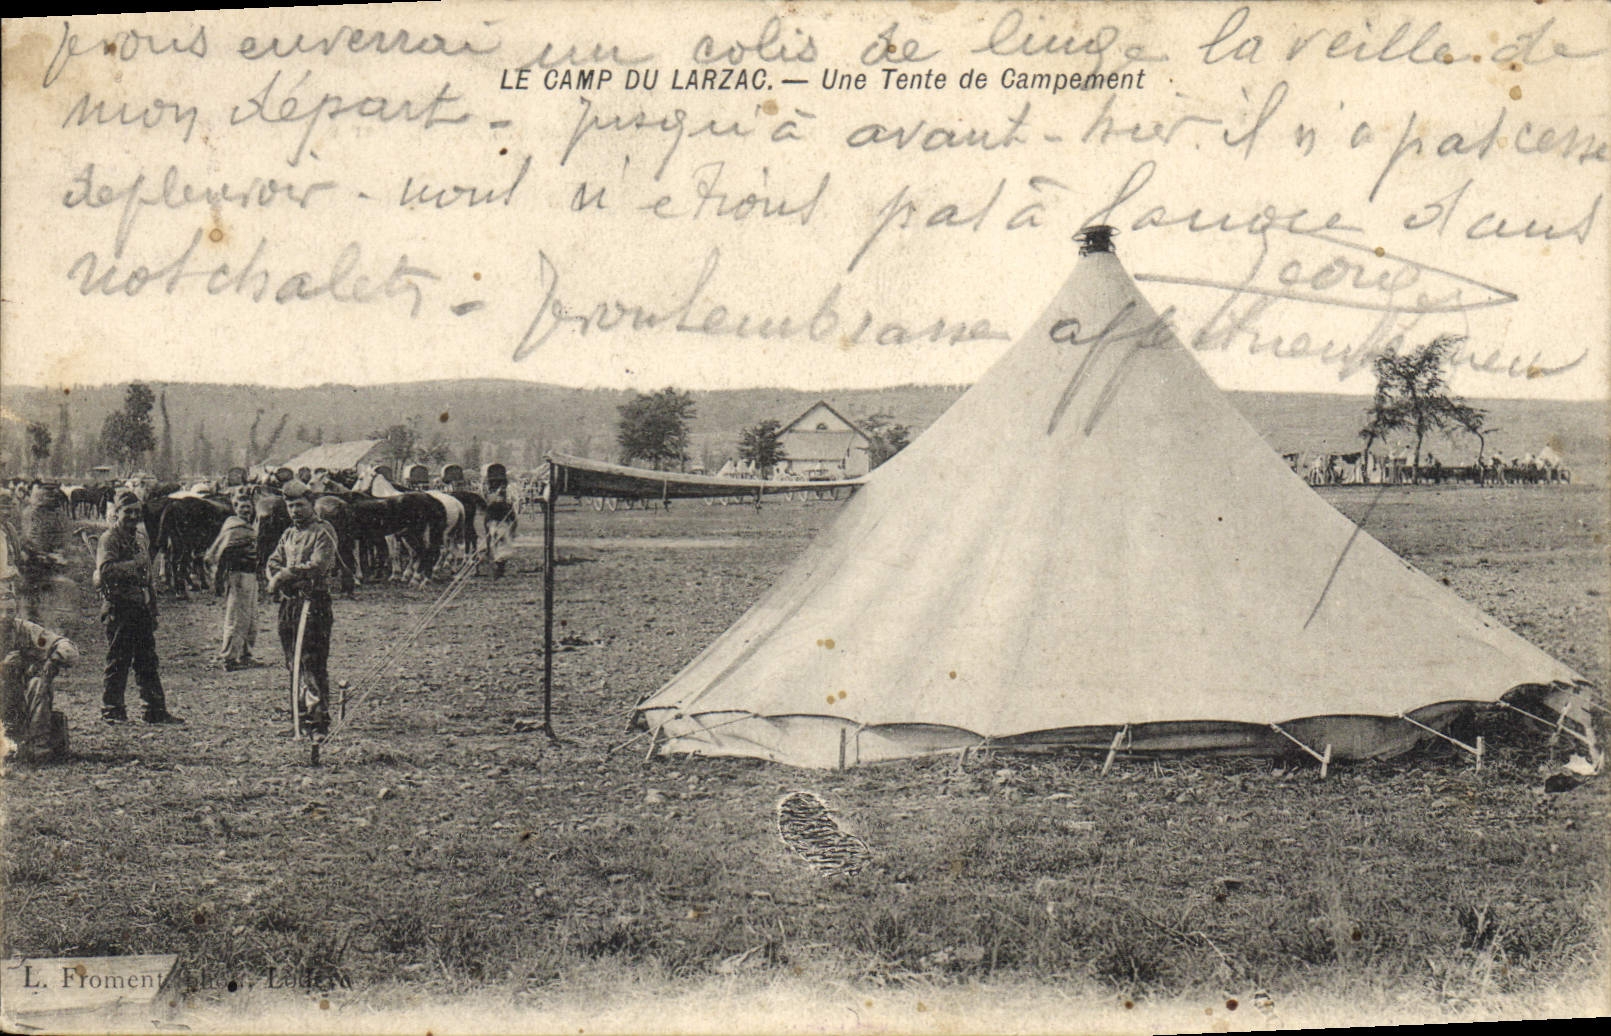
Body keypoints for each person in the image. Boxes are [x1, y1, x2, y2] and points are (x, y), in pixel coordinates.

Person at [95, 495, 182, 725]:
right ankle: (112, 710)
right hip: (120, 606)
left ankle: (154, 710)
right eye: (128, 512)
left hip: (140, 606)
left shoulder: (141, 538)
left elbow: (149, 578)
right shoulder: (109, 539)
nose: (133, 516)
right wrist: (133, 565)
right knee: (118, 659)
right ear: (117, 513)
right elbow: (105, 571)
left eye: (136, 512)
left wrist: (153, 609)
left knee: (147, 660)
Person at [266, 481, 338, 734]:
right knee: (292, 660)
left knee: (311, 659)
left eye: (299, 505)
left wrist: (284, 575)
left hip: (313, 603)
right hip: (290, 603)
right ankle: (300, 718)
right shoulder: (288, 534)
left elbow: (318, 565)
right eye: (290, 506)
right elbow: (273, 561)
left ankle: (318, 718)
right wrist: (276, 577)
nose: (295, 511)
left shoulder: (323, 531)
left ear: (311, 505)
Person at [204, 489, 260, 671]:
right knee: (236, 616)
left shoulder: (245, 525)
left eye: (248, 508)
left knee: (251, 617)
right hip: (237, 575)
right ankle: (228, 657)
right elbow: (221, 553)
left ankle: (245, 654)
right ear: (235, 508)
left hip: (251, 574)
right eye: (242, 507)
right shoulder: (234, 526)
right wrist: (220, 577)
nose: (246, 511)